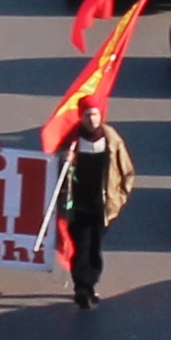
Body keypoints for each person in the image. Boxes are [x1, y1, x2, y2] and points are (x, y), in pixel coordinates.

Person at [57, 106, 136, 313]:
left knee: (95, 245)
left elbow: (126, 171)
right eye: (87, 115)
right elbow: (54, 169)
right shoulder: (72, 140)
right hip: (77, 205)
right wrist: (64, 160)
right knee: (81, 245)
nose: (91, 120)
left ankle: (90, 283)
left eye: (95, 115)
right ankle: (82, 287)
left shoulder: (112, 140)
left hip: (102, 205)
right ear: (81, 117)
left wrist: (119, 198)